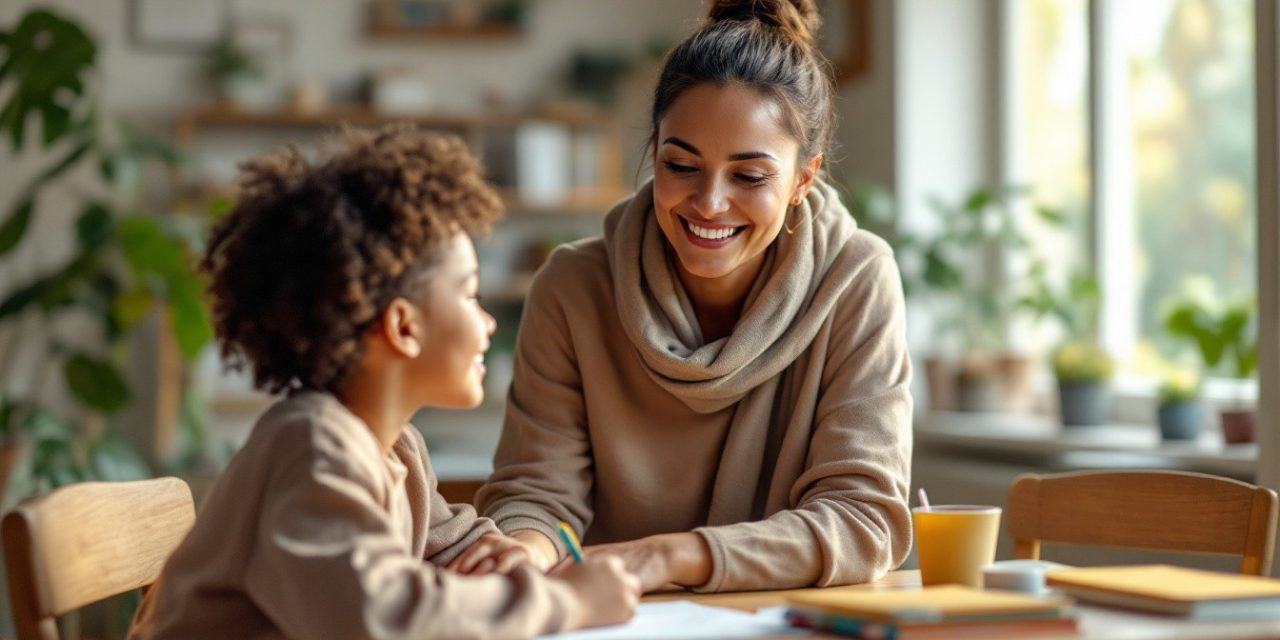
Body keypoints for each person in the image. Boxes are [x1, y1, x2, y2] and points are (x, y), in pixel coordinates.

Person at [129, 127, 639, 640]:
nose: (487, 324)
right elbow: (382, 616)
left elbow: (456, 547)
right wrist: (566, 600)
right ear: (403, 327)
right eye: (469, 295)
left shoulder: (394, 448)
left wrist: (511, 559)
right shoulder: (311, 448)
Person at [477, 0, 913, 594]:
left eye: (749, 176)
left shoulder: (857, 278)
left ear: (803, 180)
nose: (708, 203)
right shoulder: (572, 287)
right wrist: (523, 547)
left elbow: (863, 521)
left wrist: (671, 558)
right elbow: (537, 495)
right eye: (680, 165)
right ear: (653, 151)